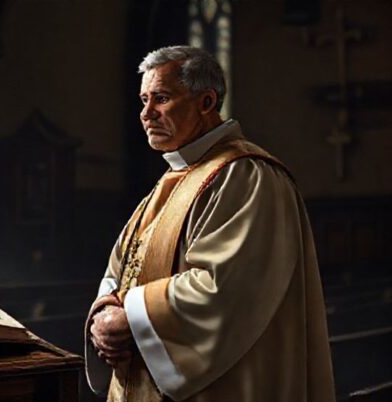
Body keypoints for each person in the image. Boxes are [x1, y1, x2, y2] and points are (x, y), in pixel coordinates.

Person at [84, 46, 335, 402]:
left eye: (162, 98)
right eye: (143, 100)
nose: (146, 114)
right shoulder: (173, 179)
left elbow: (228, 288)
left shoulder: (248, 176)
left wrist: (130, 318)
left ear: (206, 102)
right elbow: (121, 268)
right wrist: (104, 314)